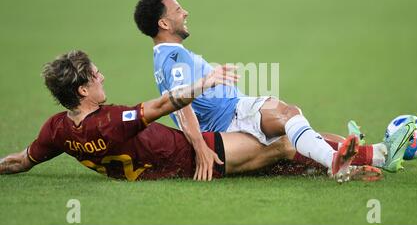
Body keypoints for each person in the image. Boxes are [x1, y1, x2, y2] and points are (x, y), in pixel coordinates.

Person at [133, 0, 416, 181]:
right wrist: (200, 147)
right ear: (164, 24)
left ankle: (376, 155)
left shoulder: (166, 56)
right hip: (229, 120)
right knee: (288, 116)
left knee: (293, 136)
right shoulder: (173, 56)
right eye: (178, 9)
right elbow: (180, 104)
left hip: (228, 120)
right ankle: (346, 161)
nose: (185, 12)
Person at [0, 50, 365, 182]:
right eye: (95, 75)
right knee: (283, 143)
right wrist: (204, 82)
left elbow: (20, 161)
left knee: (279, 158)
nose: (102, 77)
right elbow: (164, 104)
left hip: (173, 166)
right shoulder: (111, 121)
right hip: (199, 154)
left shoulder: (56, 130)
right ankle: (362, 158)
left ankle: (349, 162)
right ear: (82, 90)